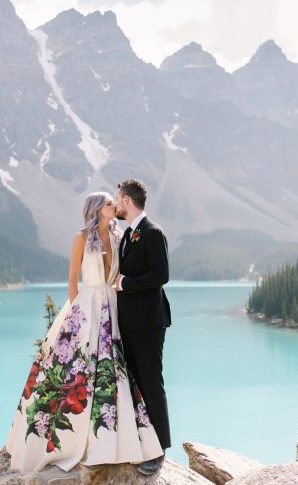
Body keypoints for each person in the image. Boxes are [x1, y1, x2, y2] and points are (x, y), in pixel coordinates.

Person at [5, 192, 163, 474]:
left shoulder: (118, 236)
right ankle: (66, 438)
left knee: (114, 370)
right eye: (109, 203)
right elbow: (72, 282)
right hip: (86, 308)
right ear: (97, 209)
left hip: (114, 307)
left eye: (115, 202)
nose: (115, 205)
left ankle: (114, 440)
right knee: (77, 370)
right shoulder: (81, 238)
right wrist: (75, 318)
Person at [113, 178, 172, 475]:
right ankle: (141, 442)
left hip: (149, 323)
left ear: (127, 200)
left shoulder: (152, 232)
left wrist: (126, 283)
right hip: (129, 322)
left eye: (117, 198)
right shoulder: (127, 234)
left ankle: (159, 450)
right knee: (135, 382)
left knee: (151, 381)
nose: (115, 203)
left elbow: (161, 275)